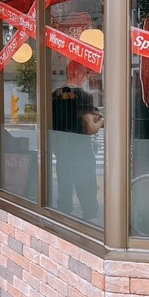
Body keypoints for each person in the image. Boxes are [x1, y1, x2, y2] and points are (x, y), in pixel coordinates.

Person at [52, 60, 104, 223]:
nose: (86, 77)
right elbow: (90, 128)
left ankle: (63, 227)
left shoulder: (55, 95)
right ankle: (89, 228)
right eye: (84, 73)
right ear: (76, 73)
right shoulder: (84, 96)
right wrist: (102, 121)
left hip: (62, 152)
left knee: (64, 195)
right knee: (87, 195)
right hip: (81, 153)